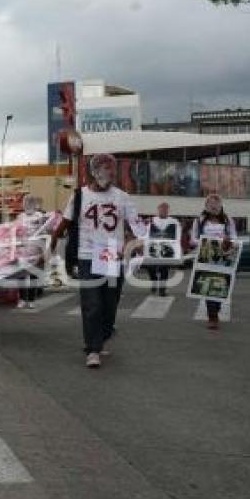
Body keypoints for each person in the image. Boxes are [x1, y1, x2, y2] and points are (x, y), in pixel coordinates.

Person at [51, 153, 146, 369]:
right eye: (105, 168)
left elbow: (137, 225)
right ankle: (92, 349)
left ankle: (102, 335)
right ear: (94, 171)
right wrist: (53, 242)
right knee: (92, 303)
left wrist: (139, 241)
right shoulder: (79, 196)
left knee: (110, 302)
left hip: (113, 255)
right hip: (87, 256)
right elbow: (65, 222)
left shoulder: (122, 197)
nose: (110, 173)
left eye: (112, 169)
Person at [190, 194, 237, 329]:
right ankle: (212, 316)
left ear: (221, 205)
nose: (214, 206)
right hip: (206, 255)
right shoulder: (199, 221)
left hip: (223, 257)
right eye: (211, 203)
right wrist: (207, 241)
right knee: (208, 286)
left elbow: (234, 236)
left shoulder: (228, 220)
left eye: (216, 203)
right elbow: (193, 239)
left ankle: (216, 309)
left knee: (221, 284)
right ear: (206, 206)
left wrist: (228, 241)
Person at [15, 194, 50, 309]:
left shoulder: (40, 216)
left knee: (33, 276)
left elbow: (45, 231)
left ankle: (31, 299)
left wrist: (44, 250)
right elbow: (15, 231)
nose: (28, 204)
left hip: (36, 248)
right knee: (21, 276)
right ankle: (22, 299)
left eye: (30, 202)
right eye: (26, 202)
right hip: (23, 249)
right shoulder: (20, 217)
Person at [146, 202, 181, 296]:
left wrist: (176, 246)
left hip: (167, 248)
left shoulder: (174, 221)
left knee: (164, 269)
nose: (163, 211)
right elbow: (146, 234)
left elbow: (178, 234)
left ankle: (162, 289)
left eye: (165, 210)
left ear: (168, 211)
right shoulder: (151, 220)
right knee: (151, 268)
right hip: (153, 248)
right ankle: (154, 282)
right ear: (158, 210)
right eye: (161, 209)